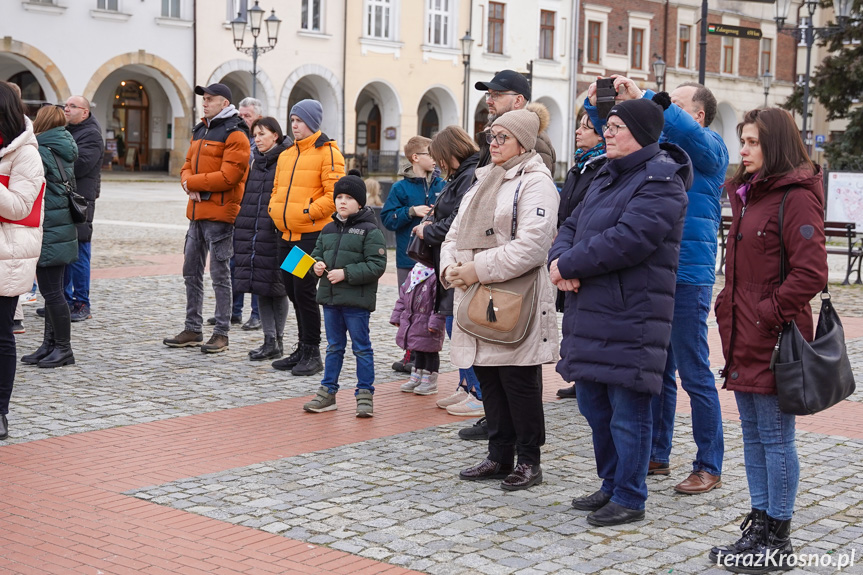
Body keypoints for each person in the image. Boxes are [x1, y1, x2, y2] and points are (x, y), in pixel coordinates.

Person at [549, 98, 690, 526]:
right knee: (594, 405)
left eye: (616, 126)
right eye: (606, 126)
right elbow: (570, 224)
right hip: (592, 308)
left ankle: (630, 495)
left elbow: (630, 239)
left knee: (629, 412)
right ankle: (610, 484)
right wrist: (558, 262)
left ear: (642, 134)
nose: (606, 132)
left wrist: (570, 265)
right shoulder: (606, 175)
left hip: (633, 312)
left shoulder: (662, 180)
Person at [586, 76, 729, 494]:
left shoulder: (711, 150)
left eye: (676, 105)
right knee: (657, 371)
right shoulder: (660, 152)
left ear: (697, 115)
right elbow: (617, 133)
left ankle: (709, 462)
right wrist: (603, 103)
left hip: (687, 275)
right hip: (652, 274)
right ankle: (656, 454)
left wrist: (649, 96)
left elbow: (679, 128)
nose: (665, 111)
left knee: (694, 371)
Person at [709, 108, 828, 573]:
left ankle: (778, 538)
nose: (743, 150)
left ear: (774, 145)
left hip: (777, 339)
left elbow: (811, 272)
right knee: (754, 437)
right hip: (744, 334)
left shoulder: (794, 197)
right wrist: (729, 306)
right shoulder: (750, 194)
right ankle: (759, 524)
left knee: (777, 440)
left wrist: (767, 313)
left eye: (753, 142)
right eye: (742, 140)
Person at [440, 108, 559, 491]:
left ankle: (529, 460)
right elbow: (454, 235)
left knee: (518, 381)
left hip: (515, 295)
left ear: (523, 141)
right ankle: (498, 454)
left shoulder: (536, 182)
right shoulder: (482, 179)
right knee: (488, 377)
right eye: (491, 136)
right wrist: (450, 270)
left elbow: (532, 247)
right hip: (475, 292)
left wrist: (477, 269)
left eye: (502, 137)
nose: (493, 143)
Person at [163, 83, 250, 353]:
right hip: (196, 213)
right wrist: (189, 184)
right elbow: (186, 167)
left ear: (224, 103)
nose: (205, 102)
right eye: (204, 99)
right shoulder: (200, 129)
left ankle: (221, 332)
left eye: (210, 99)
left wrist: (195, 184)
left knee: (220, 275)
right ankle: (193, 328)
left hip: (220, 216)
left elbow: (229, 176)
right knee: (191, 271)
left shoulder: (236, 134)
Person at [270, 99, 345, 376]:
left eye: (299, 120)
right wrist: (273, 209)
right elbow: (277, 188)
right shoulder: (287, 154)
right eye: (292, 120)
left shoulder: (328, 153)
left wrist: (308, 212)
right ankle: (302, 347)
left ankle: (313, 351)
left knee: (304, 292)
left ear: (312, 122)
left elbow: (334, 195)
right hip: (286, 234)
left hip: (309, 235)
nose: (294, 125)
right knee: (291, 290)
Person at [304, 176, 386, 417]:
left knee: (362, 348)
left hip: (356, 302)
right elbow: (316, 256)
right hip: (330, 301)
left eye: (349, 198)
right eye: (339, 197)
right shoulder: (327, 229)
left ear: (359, 203)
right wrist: (316, 266)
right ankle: (327, 393)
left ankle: (364, 394)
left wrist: (346, 274)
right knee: (333, 347)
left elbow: (377, 264)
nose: (342, 201)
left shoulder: (370, 231)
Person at [416, 125, 483, 417]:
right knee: (453, 326)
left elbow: (458, 223)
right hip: (448, 261)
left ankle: (478, 392)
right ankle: (466, 385)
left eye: (440, 157)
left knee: (461, 329)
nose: (438, 164)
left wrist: (427, 231)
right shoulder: (458, 176)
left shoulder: (468, 176)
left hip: (458, 262)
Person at [0, 82, 45, 440]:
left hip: (8, 255)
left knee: (1, 336)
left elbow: (18, 206)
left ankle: (0, 411)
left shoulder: (26, 153)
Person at [20, 104, 79, 368]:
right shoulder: (62, 146)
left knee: (53, 292)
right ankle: (49, 345)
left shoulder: (41, 151)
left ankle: (64, 349)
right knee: (51, 291)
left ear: (40, 123)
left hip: (51, 228)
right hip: (60, 226)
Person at [554, 112, 607, 400]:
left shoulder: (601, 167)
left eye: (586, 128)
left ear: (600, 135)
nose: (578, 131)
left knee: (586, 321)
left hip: (583, 253)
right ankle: (578, 377)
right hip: (568, 248)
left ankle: (585, 377)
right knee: (572, 319)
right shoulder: (580, 166)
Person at [380, 136, 445, 372]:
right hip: (407, 259)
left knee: (429, 310)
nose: (435, 158)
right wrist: (410, 211)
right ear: (415, 157)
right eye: (430, 153)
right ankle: (409, 354)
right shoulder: (400, 188)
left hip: (434, 259)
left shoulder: (442, 185)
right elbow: (387, 219)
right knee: (408, 308)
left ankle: (425, 357)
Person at [233, 116, 288, 361]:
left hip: (278, 234)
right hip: (257, 234)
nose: (257, 139)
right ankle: (269, 341)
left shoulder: (286, 160)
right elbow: (250, 199)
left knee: (280, 288)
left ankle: (279, 339)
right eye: (255, 135)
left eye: (262, 134)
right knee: (262, 287)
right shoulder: (257, 162)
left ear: (275, 135)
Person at [213, 96, 264, 331]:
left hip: (257, 210)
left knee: (255, 263)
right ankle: (233, 311)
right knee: (233, 262)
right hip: (237, 208)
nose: (243, 120)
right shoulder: (234, 138)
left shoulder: (261, 144)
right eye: (241, 115)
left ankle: (257, 313)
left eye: (248, 116)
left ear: (258, 119)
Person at [62, 95, 104, 322]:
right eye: (65, 105)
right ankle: (65, 301)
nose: (66, 109)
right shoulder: (70, 130)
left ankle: (81, 303)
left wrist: (56, 160)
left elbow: (81, 164)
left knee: (79, 251)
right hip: (67, 197)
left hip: (81, 200)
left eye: (72, 106)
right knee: (66, 250)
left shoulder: (91, 134)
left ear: (85, 112)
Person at [474, 69, 557, 175]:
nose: (488, 101)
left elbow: (535, 185)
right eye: (489, 94)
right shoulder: (492, 133)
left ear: (518, 100)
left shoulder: (533, 140)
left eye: (496, 95)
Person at [392, 262, 446, 395]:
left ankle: (430, 379)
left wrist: (435, 322)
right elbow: (403, 297)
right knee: (418, 347)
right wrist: (397, 316)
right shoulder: (414, 273)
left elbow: (438, 302)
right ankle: (417, 375)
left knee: (430, 350)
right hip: (413, 319)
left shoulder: (435, 276)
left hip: (428, 320)